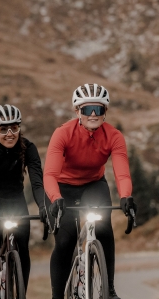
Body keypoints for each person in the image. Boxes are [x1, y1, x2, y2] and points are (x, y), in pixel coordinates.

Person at [44, 83, 137, 299]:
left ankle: (110, 289)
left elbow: (122, 174)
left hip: (93, 184)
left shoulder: (114, 136)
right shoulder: (62, 134)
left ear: (106, 112)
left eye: (99, 109)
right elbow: (49, 175)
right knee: (66, 241)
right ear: (78, 112)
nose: (93, 114)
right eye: (87, 109)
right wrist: (56, 198)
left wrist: (125, 197)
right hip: (62, 187)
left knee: (104, 228)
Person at [0, 104, 48, 299]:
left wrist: (44, 206)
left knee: (22, 242)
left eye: (14, 128)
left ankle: (22, 293)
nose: (10, 134)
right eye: (3, 129)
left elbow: (38, 183)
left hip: (15, 198)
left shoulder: (28, 148)